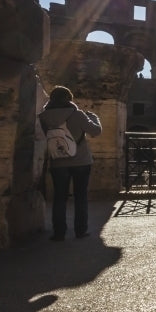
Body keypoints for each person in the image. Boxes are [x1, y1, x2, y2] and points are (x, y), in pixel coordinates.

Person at [40, 85, 103, 241]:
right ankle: (81, 230)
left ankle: (59, 233)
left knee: (59, 197)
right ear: (69, 99)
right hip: (81, 161)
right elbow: (96, 131)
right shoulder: (78, 115)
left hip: (58, 161)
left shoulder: (44, 117)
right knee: (80, 196)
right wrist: (94, 117)